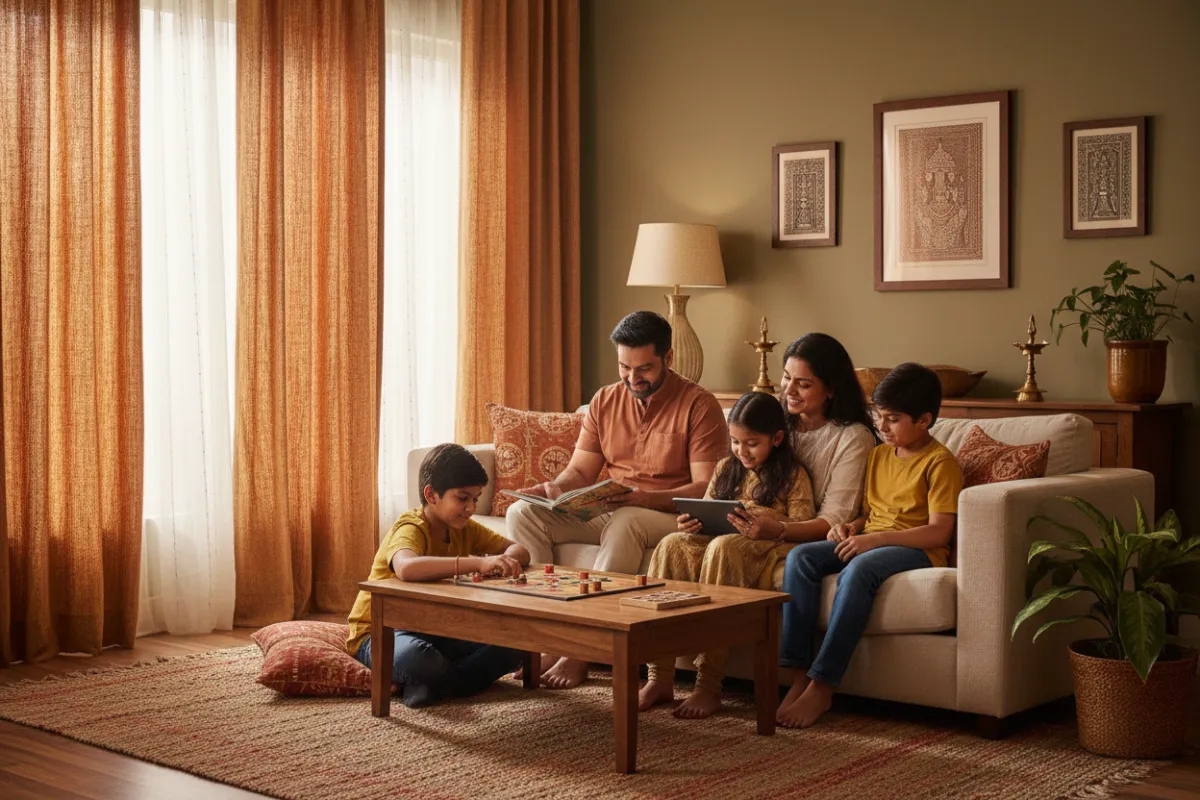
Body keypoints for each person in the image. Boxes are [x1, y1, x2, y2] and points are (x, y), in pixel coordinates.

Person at [506, 310, 729, 688]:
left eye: (644, 369)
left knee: (627, 520)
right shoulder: (605, 400)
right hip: (613, 507)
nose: (632, 378)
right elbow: (579, 473)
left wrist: (642, 497)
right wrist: (553, 490)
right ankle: (547, 637)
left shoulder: (699, 405)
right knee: (523, 513)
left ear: (668, 359)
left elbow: (705, 488)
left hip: (666, 515)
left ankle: (581, 651)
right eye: (625, 367)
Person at [776, 363, 963, 729]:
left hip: (916, 550)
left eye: (892, 419)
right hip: (871, 540)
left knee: (860, 570)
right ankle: (798, 674)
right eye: (879, 416)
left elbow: (938, 533)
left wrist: (874, 540)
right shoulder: (879, 455)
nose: (882, 426)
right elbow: (868, 514)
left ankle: (823, 684)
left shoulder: (941, 464)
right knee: (800, 558)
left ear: (924, 419)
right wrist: (849, 529)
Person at [638, 391, 815, 719]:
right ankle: (658, 676)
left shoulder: (793, 474)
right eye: (735, 442)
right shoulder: (724, 468)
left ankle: (708, 684)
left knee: (724, 548)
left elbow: (804, 524)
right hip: (719, 537)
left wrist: (767, 522)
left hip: (764, 545)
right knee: (671, 543)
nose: (741, 451)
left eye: (751, 443)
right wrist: (691, 522)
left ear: (776, 438)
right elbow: (709, 508)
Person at [345, 443, 531, 709]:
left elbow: (519, 550)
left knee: (515, 644)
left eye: (475, 499)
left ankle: (434, 685)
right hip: (379, 633)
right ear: (431, 495)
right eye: (462, 498)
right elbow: (407, 568)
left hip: (438, 628)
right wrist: (478, 563)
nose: (470, 508)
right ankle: (448, 681)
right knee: (420, 658)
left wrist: (507, 559)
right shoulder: (411, 527)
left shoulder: (465, 528)